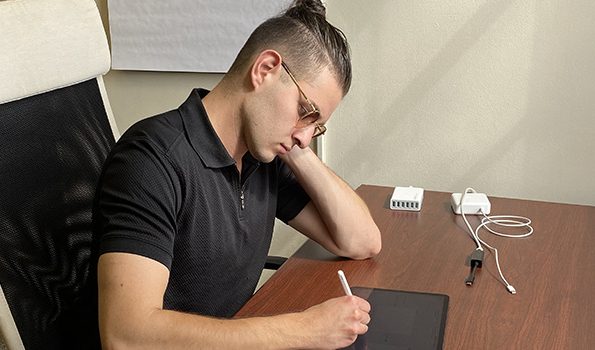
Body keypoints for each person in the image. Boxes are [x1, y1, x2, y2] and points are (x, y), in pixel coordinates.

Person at [91, 0, 381, 348]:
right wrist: (305, 329)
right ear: (265, 69)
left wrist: (296, 143)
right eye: (306, 111)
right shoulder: (150, 162)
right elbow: (126, 336)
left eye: (316, 127)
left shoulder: (264, 158)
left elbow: (363, 242)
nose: (306, 137)